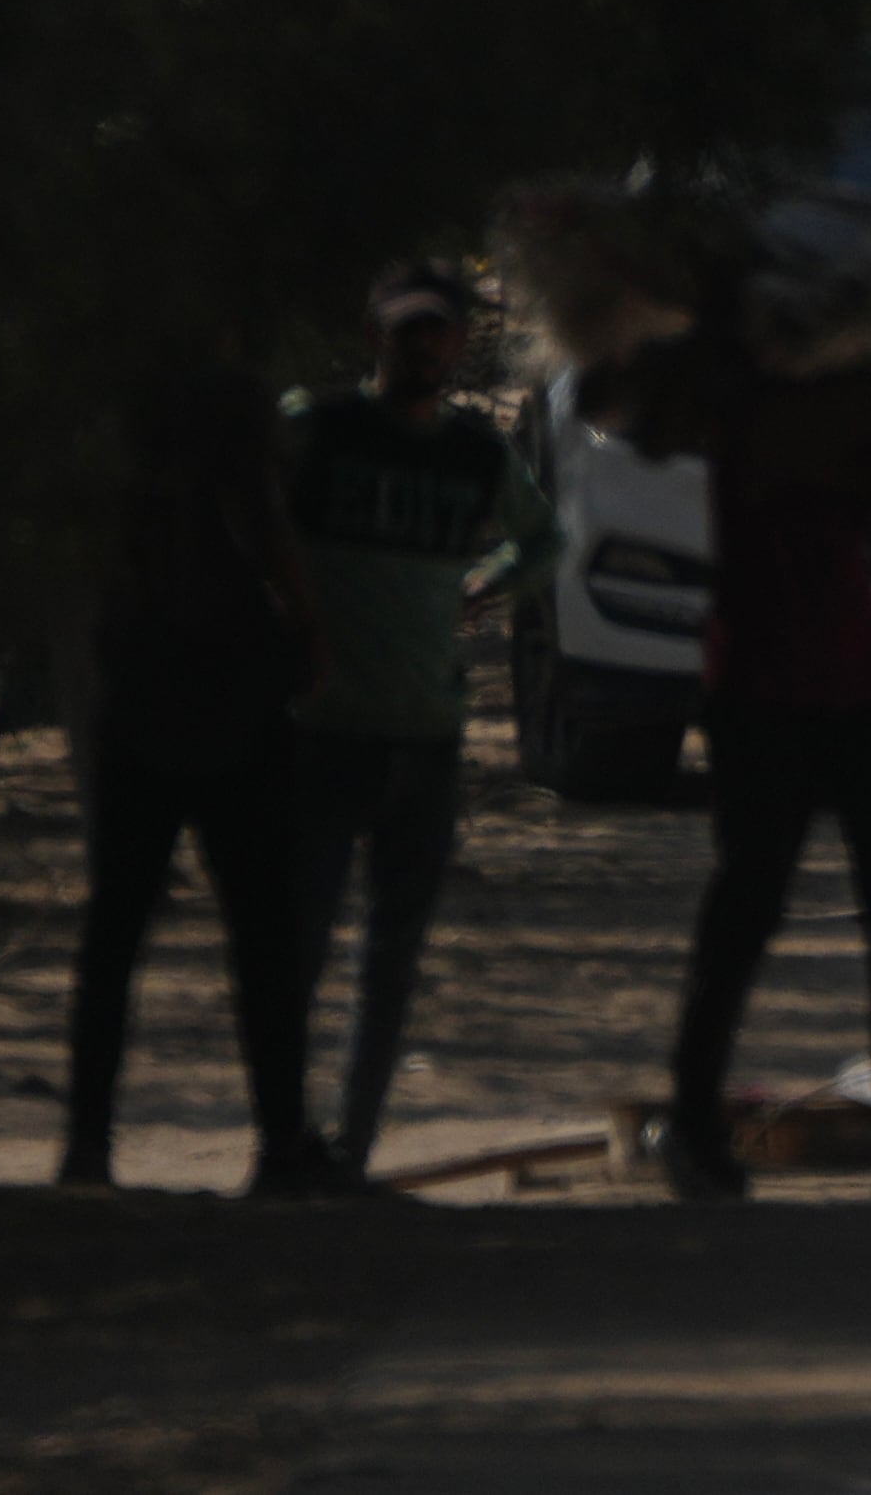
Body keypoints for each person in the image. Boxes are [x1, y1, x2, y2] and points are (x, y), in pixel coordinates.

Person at [600, 329, 871, 1204]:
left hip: (781, 685)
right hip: (812, 683)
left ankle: (707, 1134)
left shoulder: (747, 394)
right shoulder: (829, 402)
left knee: (754, 912)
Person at [283, 262, 558, 1171]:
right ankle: (288, 1146)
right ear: (377, 337)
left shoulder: (474, 452)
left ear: (459, 343)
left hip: (427, 732)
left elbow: (544, 537)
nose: (424, 348)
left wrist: (483, 588)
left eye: (438, 332)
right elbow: (249, 518)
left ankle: (352, 1150)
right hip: (321, 728)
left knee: (391, 959)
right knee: (298, 946)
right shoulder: (317, 430)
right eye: (408, 332)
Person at [62, 350, 335, 1195]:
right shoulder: (225, 411)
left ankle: (87, 1147)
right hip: (235, 708)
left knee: (117, 935)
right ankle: (282, 1141)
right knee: (259, 937)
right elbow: (273, 539)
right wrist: (311, 648)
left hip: (148, 705)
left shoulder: (131, 431)